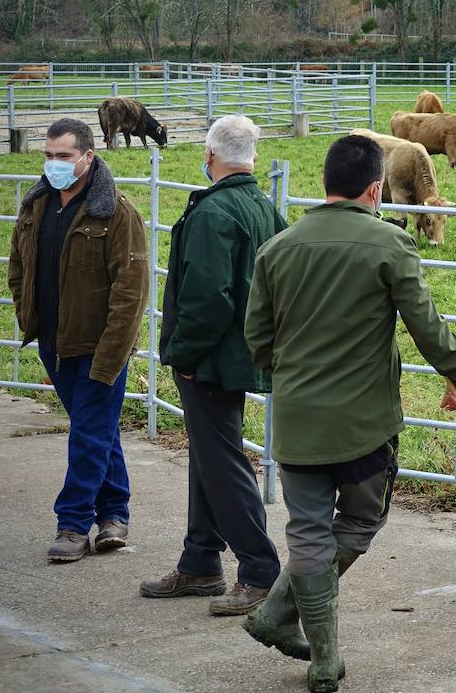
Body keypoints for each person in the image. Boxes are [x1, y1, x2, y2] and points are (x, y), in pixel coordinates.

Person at [242, 134, 456, 693]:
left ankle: (298, 635)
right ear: (376, 188)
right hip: (364, 425)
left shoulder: (278, 248)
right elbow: (424, 323)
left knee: (308, 532)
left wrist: (296, 373)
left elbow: (257, 338)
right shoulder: (389, 244)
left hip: (296, 420)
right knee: (361, 521)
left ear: (326, 185)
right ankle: (306, 643)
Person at [140, 116, 286, 615]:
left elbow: (207, 300)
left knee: (221, 462)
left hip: (209, 360)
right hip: (244, 355)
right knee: (209, 455)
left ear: (209, 156)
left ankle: (261, 572)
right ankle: (201, 560)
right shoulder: (265, 209)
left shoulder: (213, 213)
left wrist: (181, 355)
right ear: (252, 157)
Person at [7, 117, 149, 563]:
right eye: (49, 156)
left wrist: (112, 353)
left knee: (88, 432)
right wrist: (27, 314)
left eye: (64, 156)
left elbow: (131, 289)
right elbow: (18, 266)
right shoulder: (36, 207)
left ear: (88, 156)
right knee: (98, 431)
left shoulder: (116, 212)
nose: (55, 164)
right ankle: (114, 516)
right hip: (54, 340)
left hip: (99, 345)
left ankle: (72, 524)